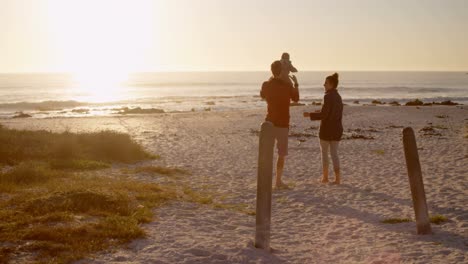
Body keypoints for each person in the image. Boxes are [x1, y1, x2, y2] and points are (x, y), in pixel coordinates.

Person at [261, 60, 300, 189]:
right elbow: (296, 98)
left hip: (270, 123)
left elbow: (262, 95)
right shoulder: (287, 86)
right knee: (281, 154)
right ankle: (278, 181)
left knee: (267, 153)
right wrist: (296, 84)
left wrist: (271, 79)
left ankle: (266, 180)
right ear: (282, 71)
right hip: (283, 123)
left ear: (272, 71)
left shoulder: (266, 84)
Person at [303, 73, 343, 184]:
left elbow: (324, 115)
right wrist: (318, 112)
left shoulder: (327, 96)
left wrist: (310, 115)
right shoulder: (338, 97)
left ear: (331, 84)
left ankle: (325, 178)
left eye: (325, 83)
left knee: (325, 153)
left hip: (326, 130)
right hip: (337, 129)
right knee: (334, 153)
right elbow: (330, 112)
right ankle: (337, 178)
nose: (323, 85)